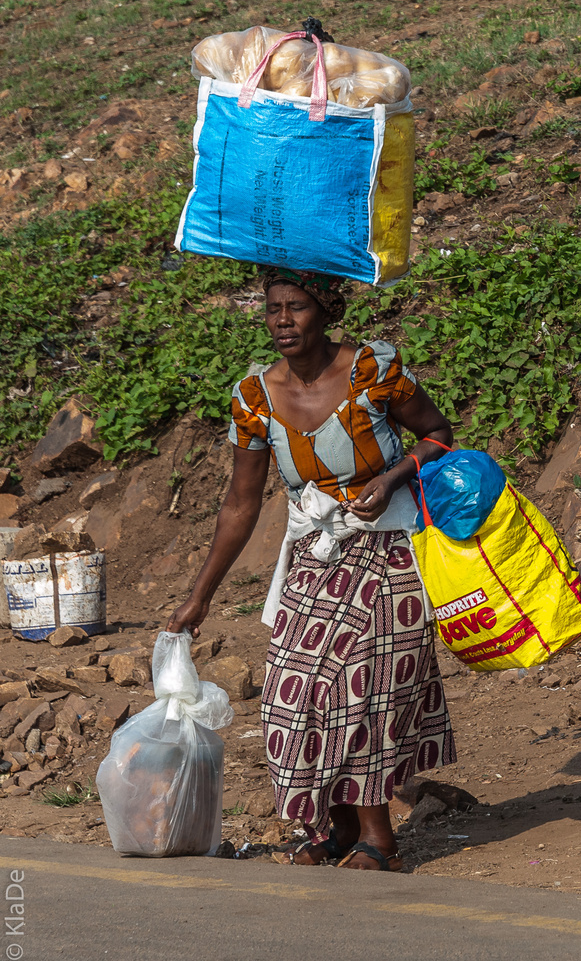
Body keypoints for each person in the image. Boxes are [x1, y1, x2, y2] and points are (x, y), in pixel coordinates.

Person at [167, 268, 458, 872]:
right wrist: (200, 597)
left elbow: (437, 434)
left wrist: (389, 477)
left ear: (326, 313)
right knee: (289, 693)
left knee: (364, 691)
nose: (282, 321)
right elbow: (240, 504)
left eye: (296, 307)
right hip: (312, 561)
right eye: (273, 309)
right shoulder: (254, 397)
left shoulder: (372, 372)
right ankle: (336, 825)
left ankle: (378, 839)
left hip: (387, 554)